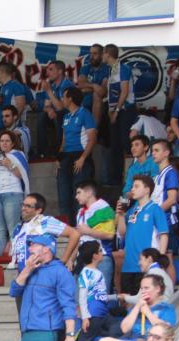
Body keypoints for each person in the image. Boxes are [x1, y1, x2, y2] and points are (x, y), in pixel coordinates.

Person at [10, 234, 77, 341]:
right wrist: (27, 270)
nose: (29, 248)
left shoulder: (60, 272)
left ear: (47, 248)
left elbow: (69, 306)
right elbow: (14, 291)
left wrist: (70, 335)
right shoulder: (31, 269)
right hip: (27, 332)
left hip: (47, 332)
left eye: (33, 245)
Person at [97, 274, 177, 341]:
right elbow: (124, 328)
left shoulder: (166, 309)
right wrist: (137, 306)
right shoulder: (136, 307)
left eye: (146, 288)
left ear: (157, 289)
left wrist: (147, 312)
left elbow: (167, 329)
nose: (143, 291)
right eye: (141, 289)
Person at [116, 175, 169, 296]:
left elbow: (163, 235)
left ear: (147, 190)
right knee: (128, 303)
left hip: (146, 265)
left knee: (143, 303)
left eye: (136, 186)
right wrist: (121, 215)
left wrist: (160, 260)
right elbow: (122, 232)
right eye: (132, 186)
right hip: (128, 265)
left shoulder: (155, 209)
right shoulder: (132, 210)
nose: (132, 189)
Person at [9, 193, 80, 274]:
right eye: (23, 204)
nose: (23, 208)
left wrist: (64, 260)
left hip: (43, 275)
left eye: (28, 206)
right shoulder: (18, 228)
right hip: (24, 276)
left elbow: (75, 234)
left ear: (38, 210)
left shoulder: (45, 221)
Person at [57, 87, 97, 224]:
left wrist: (83, 158)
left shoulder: (85, 113)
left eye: (64, 96)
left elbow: (92, 138)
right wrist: (59, 158)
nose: (62, 99)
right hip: (66, 158)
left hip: (80, 157)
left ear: (70, 98)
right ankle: (67, 228)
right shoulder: (66, 116)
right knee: (64, 195)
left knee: (79, 194)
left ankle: (81, 227)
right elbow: (64, 140)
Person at [0, 130, 30, 256]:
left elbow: (23, 175)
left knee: (13, 229)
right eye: (2, 141)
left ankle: (17, 259)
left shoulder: (18, 154)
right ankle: (0, 261)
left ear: (12, 144)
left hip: (12, 193)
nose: (4, 143)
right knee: (0, 231)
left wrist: (10, 165)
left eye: (7, 141)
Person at [104, 44, 138, 187]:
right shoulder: (111, 70)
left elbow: (124, 91)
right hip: (115, 111)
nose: (102, 56)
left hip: (126, 110)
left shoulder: (123, 68)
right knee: (115, 145)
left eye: (103, 53)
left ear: (108, 54)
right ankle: (116, 179)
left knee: (126, 142)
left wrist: (116, 111)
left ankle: (134, 175)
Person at [75, 181, 116, 291]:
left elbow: (110, 235)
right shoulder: (80, 212)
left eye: (79, 193)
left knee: (99, 299)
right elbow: (79, 238)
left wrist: (88, 231)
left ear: (89, 193)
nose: (76, 196)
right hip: (82, 259)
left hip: (101, 258)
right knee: (78, 300)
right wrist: (71, 258)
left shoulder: (103, 208)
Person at [78, 43, 110, 127]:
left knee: (96, 95)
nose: (91, 56)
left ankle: (94, 129)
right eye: (90, 53)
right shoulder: (85, 67)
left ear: (101, 55)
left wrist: (88, 87)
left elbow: (102, 91)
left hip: (101, 104)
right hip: (84, 101)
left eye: (95, 54)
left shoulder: (107, 68)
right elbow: (81, 84)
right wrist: (95, 86)